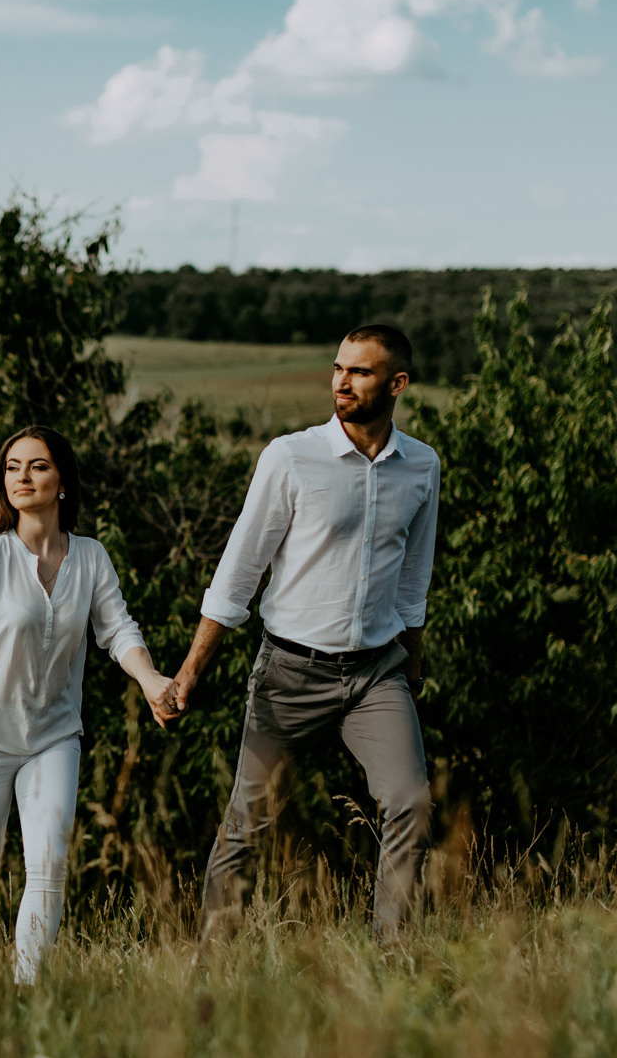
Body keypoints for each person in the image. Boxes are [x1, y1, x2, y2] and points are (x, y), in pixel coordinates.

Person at [165, 324, 439, 943]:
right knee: (249, 826)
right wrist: (188, 675)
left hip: (376, 674)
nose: (342, 381)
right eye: (339, 367)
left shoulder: (422, 465)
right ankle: (213, 971)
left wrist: (412, 665)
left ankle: (390, 964)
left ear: (396, 384)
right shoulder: (291, 457)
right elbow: (238, 573)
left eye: (360, 372)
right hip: (290, 672)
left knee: (411, 803)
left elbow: (414, 577)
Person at [0, 425, 173, 984]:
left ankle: (27, 993)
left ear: (61, 479)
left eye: (37, 466)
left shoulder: (89, 557)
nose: (22, 477)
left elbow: (117, 631)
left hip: (53, 738)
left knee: (49, 868)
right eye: (13, 466)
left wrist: (151, 680)